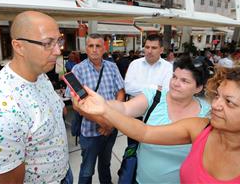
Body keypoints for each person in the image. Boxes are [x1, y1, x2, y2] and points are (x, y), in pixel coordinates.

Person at [76, 67, 240, 183]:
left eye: (229, 102)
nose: (216, 105)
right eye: (217, 96)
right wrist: (104, 109)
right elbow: (144, 131)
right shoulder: (200, 128)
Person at [0, 11, 72, 184]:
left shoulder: (40, 74)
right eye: (47, 43)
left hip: (63, 174)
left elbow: (58, 110)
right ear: (19, 46)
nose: (58, 50)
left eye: (58, 41)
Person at [89, 55, 210, 183]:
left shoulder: (207, 114)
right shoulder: (155, 97)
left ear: (198, 88)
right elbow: (124, 108)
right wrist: (101, 104)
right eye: (174, 76)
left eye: (184, 81)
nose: (175, 83)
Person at [66, 33, 125, 184]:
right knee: (87, 170)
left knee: (105, 165)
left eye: (98, 46)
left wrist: (111, 123)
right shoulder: (78, 70)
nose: (94, 49)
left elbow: (120, 92)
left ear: (104, 48)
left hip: (110, 130)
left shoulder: (111, 67)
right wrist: (105, 123)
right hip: (90, 132)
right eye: (90, 46)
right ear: (86, 48)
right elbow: (77, 106)